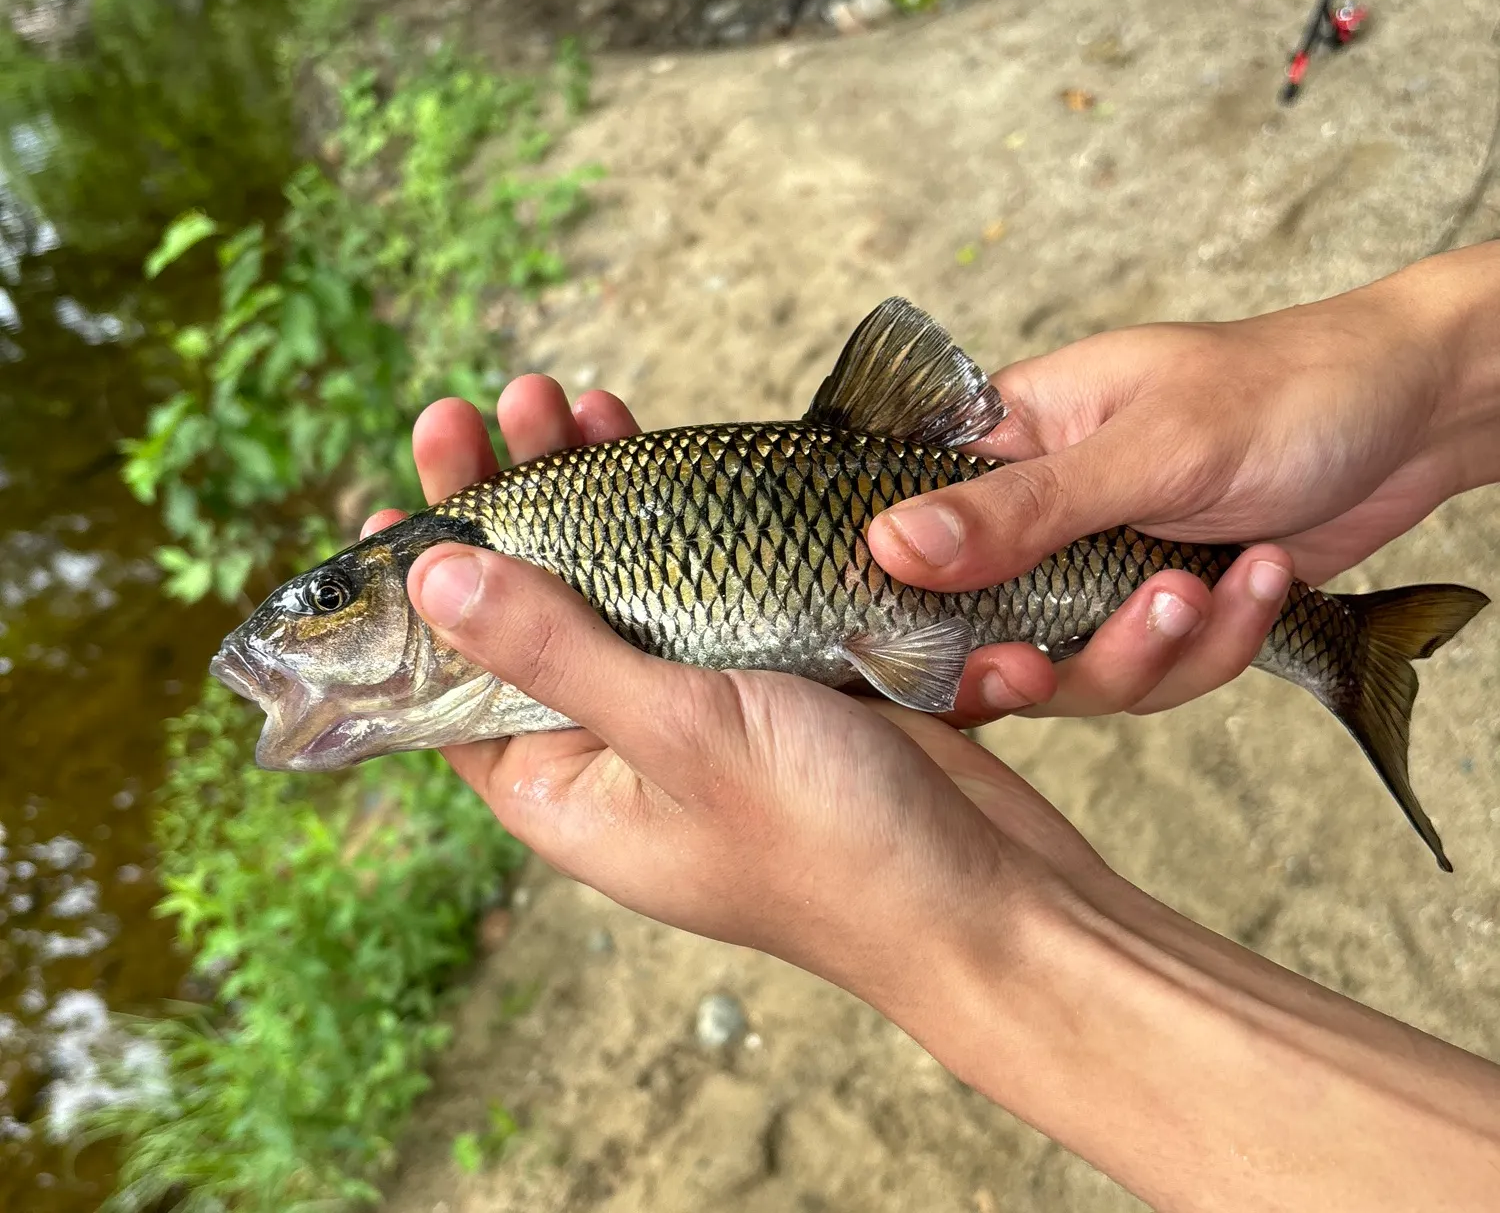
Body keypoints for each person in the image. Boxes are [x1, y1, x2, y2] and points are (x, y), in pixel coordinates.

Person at [364, 240, 1500, 1210]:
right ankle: (1352, 633)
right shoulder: (506, 535)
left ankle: (1351, 646)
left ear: (431, 586)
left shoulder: (490, 549)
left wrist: (949, 937)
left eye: (332, 602)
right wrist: (1430, 358)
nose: (310, 627)